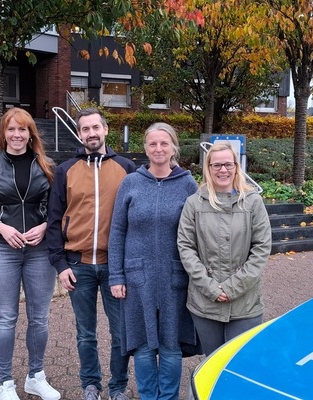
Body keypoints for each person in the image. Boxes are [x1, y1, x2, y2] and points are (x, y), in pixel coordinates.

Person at [0, 107, 61, 400]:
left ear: (30, 133)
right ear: (3, 134)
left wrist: (46, 226)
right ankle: (5, 383)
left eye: (23, 129)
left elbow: (58, 209)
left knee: (39, 318)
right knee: (7, 317)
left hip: (39, 250)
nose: (17, 135)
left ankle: (36, 377)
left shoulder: (46, 166)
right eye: (11, 129)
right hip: (1, 251)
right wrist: (0, 228)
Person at [46, 108, 136, 400]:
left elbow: (136, 217)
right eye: (85, 129)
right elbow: (54, 218)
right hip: (78, 265)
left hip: (115, 268)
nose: (91, 133)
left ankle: (119, 387)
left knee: (121, 332)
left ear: (105, 129)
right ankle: (91, 384)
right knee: (86, 333)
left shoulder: (126, 167)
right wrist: (60, 265)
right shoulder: (66, 170)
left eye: (95, 127)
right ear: (79, 134)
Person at [108, 123, 199, 400]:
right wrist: (116, 276)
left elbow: (198, 230)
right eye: (152, 144)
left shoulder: (187, 184)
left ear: (173, 147)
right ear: (145, 148)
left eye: (164, 143)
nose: (158, 149)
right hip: (137, 277)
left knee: (170, 345)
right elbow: (117, 230)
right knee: (144, 345)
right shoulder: (131, 182)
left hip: (175, 277)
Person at [176, 143, 272, 355]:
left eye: (228, 164)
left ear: (236, 167)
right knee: (213, 362)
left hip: (245, 303)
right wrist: (210, 287)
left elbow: (261, 248)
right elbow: (186, 247)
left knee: (242, 362)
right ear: (208, 168)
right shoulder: (194, 204)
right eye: (216, 165)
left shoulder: (253, 202)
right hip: (205, 302)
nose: (223, 170)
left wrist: (232, 288)